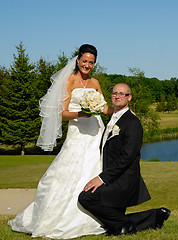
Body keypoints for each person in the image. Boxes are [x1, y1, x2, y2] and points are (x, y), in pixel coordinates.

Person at [8, 44, 112, 239]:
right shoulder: (69, 81)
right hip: (77, 131)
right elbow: (61, 113)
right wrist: (80, 114)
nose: (87, 65)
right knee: (67, 170)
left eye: (91, 62)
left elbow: (104, 108)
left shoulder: (95, 83)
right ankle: (64, 218)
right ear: (78, 59)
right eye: (84, 61)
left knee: (94, 168)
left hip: (95, 131)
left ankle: (95, 217)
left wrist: (119, 110)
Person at [78, 83, 171, 236]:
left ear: (129, 97)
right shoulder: (113, 120)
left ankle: (124, 225)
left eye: (122, 93)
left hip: (124, 180)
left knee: (86, 198)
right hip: (114, 176)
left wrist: (101, 178)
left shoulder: (132, 123)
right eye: (115, 93)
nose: (117, 96)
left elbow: (127, 157)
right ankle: (155, 216)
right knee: (114, 220)